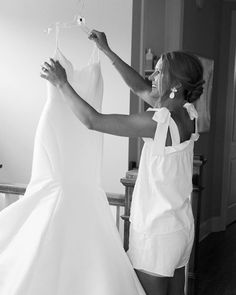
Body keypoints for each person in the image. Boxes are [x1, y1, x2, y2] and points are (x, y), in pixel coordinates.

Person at [41, 30, 205, 295]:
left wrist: (62, 84)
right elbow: (140, 87)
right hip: (180, 227)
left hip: (156, 233)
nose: (152, 76)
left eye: (159, 72)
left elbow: (92, 120)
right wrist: (106, 50)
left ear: (174, 84)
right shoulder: (186, 113)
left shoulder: (158, 122)